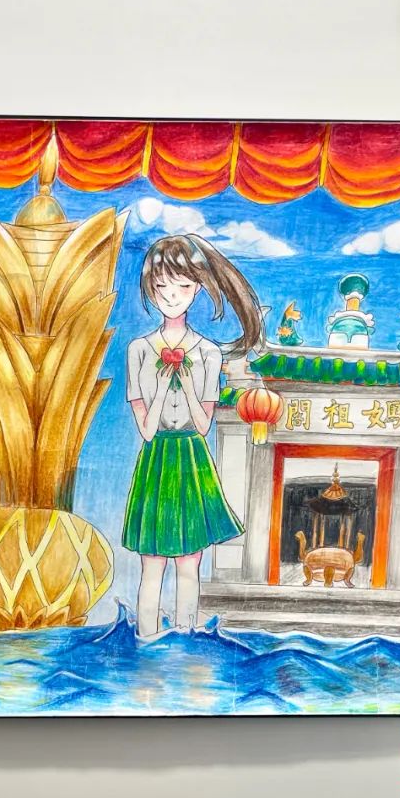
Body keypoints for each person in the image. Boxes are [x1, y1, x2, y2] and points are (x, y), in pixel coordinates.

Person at [122, 233, 264, 637]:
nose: (171, 296)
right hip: (156, 458)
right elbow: (146, 430)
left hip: (192, 457)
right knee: (151, 562)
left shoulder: (208, 353)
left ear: (198, 288)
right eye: (161, 286)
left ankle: (185, 636)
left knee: (189, 562)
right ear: (150, 289)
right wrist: (161, 386)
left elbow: (203, 425)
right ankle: (146, 637)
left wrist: (183, 382)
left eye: (183, 286)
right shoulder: (139, 349)